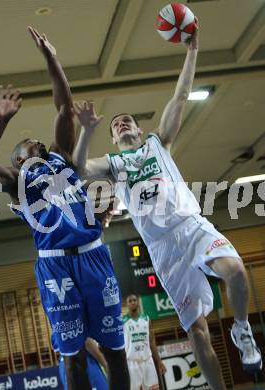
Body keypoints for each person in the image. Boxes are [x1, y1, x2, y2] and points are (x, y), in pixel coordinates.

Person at [72, 21, 262, 390]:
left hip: (192, 226)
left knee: (237, 272)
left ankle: (242, 329)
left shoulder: (159, 144)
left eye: (127, 120)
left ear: (139, 131)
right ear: (113, 137)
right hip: (164, 250)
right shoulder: (113, 165)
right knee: (198, 334)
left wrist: (191, 51)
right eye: (115, 125)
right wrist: (87, 130)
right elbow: (78, 168)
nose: (122, 123)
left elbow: (180, 97)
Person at [0, 28, 129, 390]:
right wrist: (0, 121)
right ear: (17, 159)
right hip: (55, 262)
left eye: (38, 140)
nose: (37, 140)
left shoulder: (60, 158)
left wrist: (52, 58)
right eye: (28, 143)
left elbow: (63, 107)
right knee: (73, 356)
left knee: (115, 348)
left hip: (93, 254)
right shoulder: (17, 182)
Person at [123, 294, 166, 390]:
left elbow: (151, 341)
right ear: (127, 304)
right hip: (132, 362)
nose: (133, 302)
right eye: (130, 301)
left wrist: (159, 361)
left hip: (147, 360)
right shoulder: (123, 321)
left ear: (137, 302)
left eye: (134, 300)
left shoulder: (146, 319)